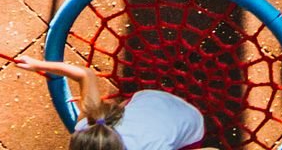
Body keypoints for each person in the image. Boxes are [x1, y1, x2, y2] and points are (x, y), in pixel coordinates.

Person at [15, 57, 213, 149]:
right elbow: (85, 74)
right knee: (121, 111)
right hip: (152, 99)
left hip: (191, 123)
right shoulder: (90, 122)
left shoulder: (152, 147)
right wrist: (37, 65)